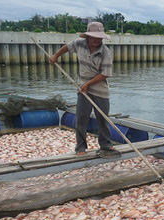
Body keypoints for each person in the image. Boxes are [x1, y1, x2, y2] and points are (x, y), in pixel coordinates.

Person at [49, 21, 119, 157]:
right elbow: (66, 48)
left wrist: (88, 84)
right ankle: (80, 147)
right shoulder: (79, 43)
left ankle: (105, 144)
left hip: (100, 89)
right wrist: (56, 56)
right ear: (88, 37)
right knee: (81, 118)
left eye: (100, 38)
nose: (97, 41)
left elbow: (105, 74)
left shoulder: (105, 52)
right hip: (83, 88)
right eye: (95, 38)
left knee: (102, 118)